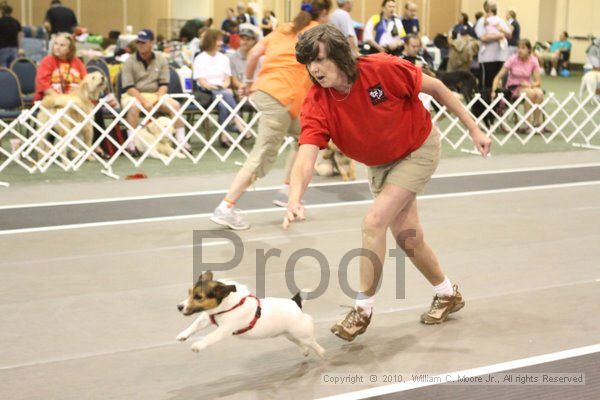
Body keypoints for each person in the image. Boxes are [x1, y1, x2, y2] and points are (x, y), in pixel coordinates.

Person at [286, 24, 491, 341]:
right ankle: (448, 293)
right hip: (381, 164)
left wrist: (474, 129)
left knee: (373, 222)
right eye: (309, 63)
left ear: (340, 56)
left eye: (320, 60)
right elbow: (306, 156)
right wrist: (294, 197)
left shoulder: (382, 69)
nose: (314, 68)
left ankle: (362, 310)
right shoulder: (317, 101)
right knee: (409, 238)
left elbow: (436, 88)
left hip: (417, 149)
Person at [210, 0, 332, 230]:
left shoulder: (284, 28)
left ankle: (287, 189)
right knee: (264, 153)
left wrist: (247, 82)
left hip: (270, 91)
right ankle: (226, 207)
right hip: (282, 96)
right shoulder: (319, 32)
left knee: (307, 137)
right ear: (324, 13)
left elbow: (255, 52)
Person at [34, 32, 116, 159]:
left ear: (69, 49)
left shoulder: (77, 63)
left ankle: (94, 146)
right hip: (54, 101)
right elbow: (44, 85)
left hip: (76, 101)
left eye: (62, 45)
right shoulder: (47, 61)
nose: (57, 47)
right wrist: (61, 99)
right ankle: (58, 147)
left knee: (96, 110)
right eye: (56, 44)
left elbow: (87, 83)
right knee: (65, 110)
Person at [120, 29, 188, 155]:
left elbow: (164, 84)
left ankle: (181, 141)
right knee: (133, 107)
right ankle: (131, 144)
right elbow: (129, 87)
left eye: (144, 42)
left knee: (175, 106)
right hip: (133, 94)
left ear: (152, 43)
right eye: (138, 42)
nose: (140, 45)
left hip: (155, 94)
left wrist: (159, 97)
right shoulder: (129, 61)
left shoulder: (161, 59)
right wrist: (144, 101)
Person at [193, 28, 246, 147]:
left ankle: (224, 135)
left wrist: (222, 86)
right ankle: (238, 123)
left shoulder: (224, 58)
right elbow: (201, 81)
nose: (221, 43)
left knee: (223, 102)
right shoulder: (200, 58)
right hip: (205, 91)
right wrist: (211, 86)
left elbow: (227, 80)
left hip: (221, 90)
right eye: (218, 40)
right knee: (226, 94)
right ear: (211, 41)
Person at [492, 39, 548, 133]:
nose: (520, 50)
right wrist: (494, 91)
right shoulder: (512, 59)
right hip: (513, 87)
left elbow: (538, 82)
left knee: (539, 93)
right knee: (530, 93)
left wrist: (529, 84)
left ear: (529, 50)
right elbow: (497, 77)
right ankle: (527, 124)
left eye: (523, 48)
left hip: (527, 86)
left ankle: (536, 123)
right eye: (518, 48)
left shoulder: (533, 60)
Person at [474, 0, 511, 91]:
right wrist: (499, 36)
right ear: (487, 8)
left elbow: (509, 34)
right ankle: (485, 103)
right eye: (492, 4)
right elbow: (483, 38)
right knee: (487, 84)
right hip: (487, 58)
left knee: (498, 83)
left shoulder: (500, 20)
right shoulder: (482, 21)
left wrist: (501, 32)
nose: (495, 5)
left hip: (500, 57)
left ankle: (497, 103)